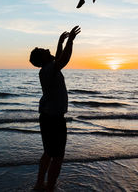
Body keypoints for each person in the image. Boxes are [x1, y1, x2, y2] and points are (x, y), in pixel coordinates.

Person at [30, 26, 81, 191]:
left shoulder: (47, 69)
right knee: (57, 156)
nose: (47, 49)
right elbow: (63, 60)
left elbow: (58, 59)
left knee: (48, 152)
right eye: (44, 50)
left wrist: (61, 42)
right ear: (43, 59)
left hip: (48, 117)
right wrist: (70, 41)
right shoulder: (48, 70)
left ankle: (40, 184)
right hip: (53, 119)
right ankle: (49, 187)